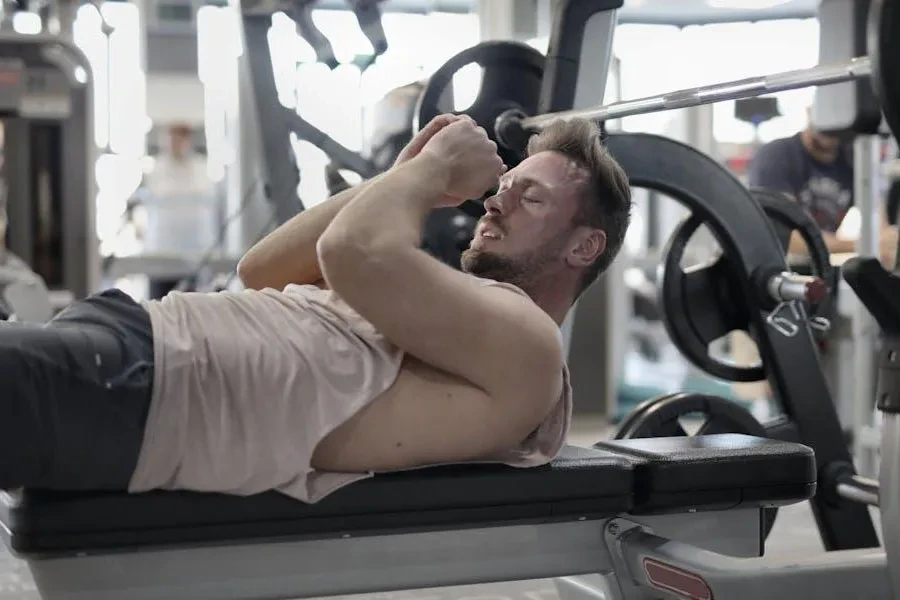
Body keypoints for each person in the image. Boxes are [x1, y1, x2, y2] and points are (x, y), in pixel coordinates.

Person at [0, 114, 631, 502]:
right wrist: (410, 174)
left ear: (585, 245)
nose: (495, 202)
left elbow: (352, 249)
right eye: (503, 186)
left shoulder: (530, 346)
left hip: (153, 389)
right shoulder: (458, 312)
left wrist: (433, 170)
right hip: (135, 347)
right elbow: (262, 269)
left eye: (531, 199)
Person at [747, 119, 898, 265]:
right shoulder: (777, 156)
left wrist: (887, 243)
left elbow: (877, 215)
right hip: (775, 265)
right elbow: (784, 236)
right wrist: (864, 245)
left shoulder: (852, 159)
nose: (828, 132)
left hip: (818, 265)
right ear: (810, 111)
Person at [140, 123, 216, 299]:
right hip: (161, 253)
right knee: (159, 309)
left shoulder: (200, 168)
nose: (175, 143)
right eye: (171, 138)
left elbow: (206, 198)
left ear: (188, 140)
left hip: (195, 253)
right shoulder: (156, 169)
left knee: (194, 310)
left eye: (180, 138)